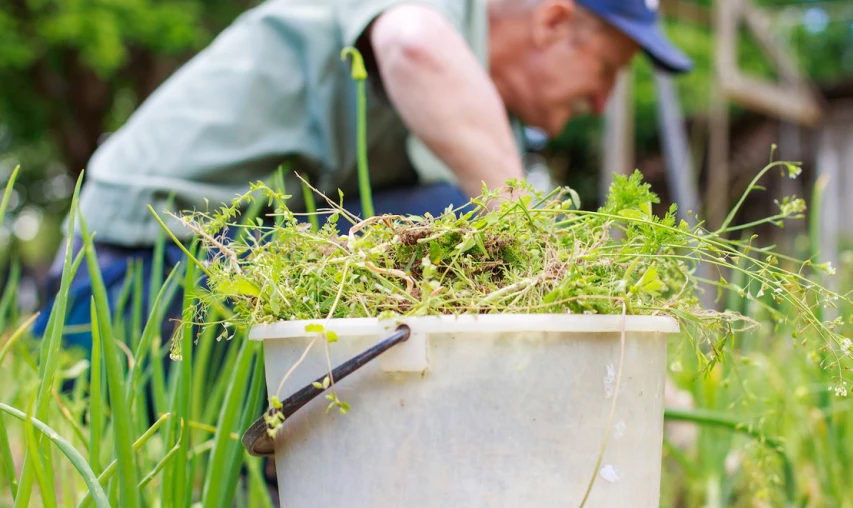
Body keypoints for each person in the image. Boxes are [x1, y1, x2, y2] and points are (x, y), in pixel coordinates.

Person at [35, 0, 693, 347]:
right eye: (607, 70)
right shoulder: (429, 21)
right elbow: (412, 42)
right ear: (553, 21)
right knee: (457, 228)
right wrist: (539, 250)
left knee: (452, 221)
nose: (604, 103)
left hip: (201, 286)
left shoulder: (471, 121)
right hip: (120, 296)